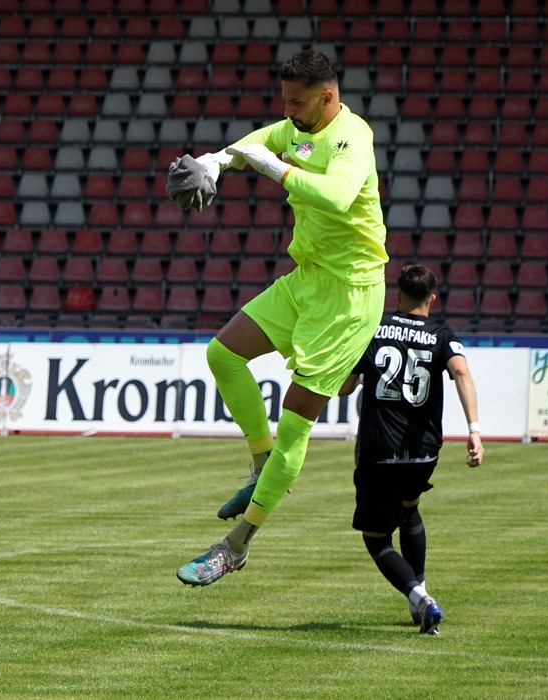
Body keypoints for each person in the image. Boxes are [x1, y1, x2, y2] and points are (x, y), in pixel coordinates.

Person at [170, 49, 388, 587]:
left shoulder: (352, 137)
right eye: (284, 101)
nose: (287, 112)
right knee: (222, 352)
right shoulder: (298, 125)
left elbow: (338, 198)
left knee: (296, 423)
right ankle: (260, 460)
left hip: (349, 297)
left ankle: (237, 544)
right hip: (307, 279)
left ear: (327, 97)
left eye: (297, 102)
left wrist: (274, 167)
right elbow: (251, 146)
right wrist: (215, 163)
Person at [338, 264, 483, 635]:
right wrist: (474, 431)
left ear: (397, 296)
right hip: (424, 452)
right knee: (410, 507)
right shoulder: (442, 335)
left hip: (378, 450)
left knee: (376, 539)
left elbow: (344, 388)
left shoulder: (374, 329)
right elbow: (462, 373)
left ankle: (419, 596)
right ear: (432, 299)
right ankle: (419, 600)